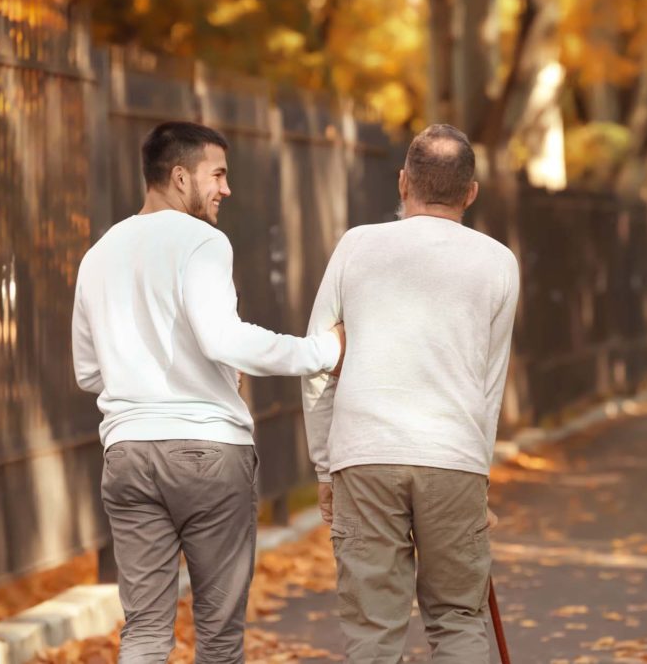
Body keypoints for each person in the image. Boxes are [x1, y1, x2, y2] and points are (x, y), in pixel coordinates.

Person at [71, 121, 344, 664]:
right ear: (179, 177)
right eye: (217, 174)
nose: (226, 189)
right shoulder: (203, 241)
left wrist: (143, 380)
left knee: (144, 631)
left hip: (127, 453)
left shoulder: (98, 254)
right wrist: (322, 351)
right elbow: (223, 338)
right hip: (208, 454)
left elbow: (88, 372)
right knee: (219, 637)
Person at [301, 123, 520, 663]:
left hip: (365, 453)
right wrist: (478, 474)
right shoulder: (498, 262)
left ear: (403, 183)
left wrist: (326, 469)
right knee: (457, 619)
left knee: (373, 630)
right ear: (470, 192)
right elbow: (490, 385)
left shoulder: (356, 246)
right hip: (453, 458)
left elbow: (317, 362)